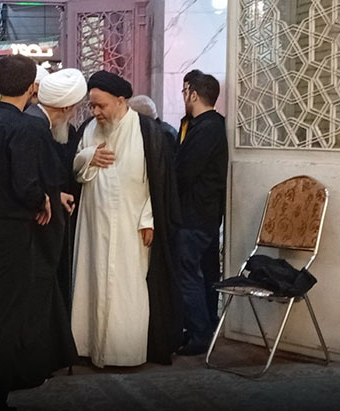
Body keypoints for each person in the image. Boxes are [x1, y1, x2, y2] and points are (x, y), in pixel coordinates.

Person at [0, 55, 76, 410]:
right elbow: (25, 183)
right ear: (32, 87)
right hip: (11, 232)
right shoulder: (27, 128)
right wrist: (42, 200)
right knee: (9, 318)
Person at [71, 70, 182, 368]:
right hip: (93, 226)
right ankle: (90, 347)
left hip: (132, 225)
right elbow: (74, 169)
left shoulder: (147, 131)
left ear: (121, 101)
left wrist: (149, 219)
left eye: (101, 105)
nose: (96, 112)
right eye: (92, 106)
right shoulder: (88, 130)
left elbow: (158, 182)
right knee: (92, 282)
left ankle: (125, 353)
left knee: (128, 288)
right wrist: (88, 156)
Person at [173, 71, 227, 355]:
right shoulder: (209, 125)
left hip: (195, 214)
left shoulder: (207, 128)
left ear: (193, 94)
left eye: (185, 92)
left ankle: (199, 333)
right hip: (205, 214)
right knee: (204, 273)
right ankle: (204, 329)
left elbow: (184, 171)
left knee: (188, 274)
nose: (183, 97)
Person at [26, 68, 87, 311]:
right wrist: (44, 198)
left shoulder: (41, 123)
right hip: (35, 227)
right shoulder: (35, 127)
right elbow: (26, 177)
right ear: (66, 107)